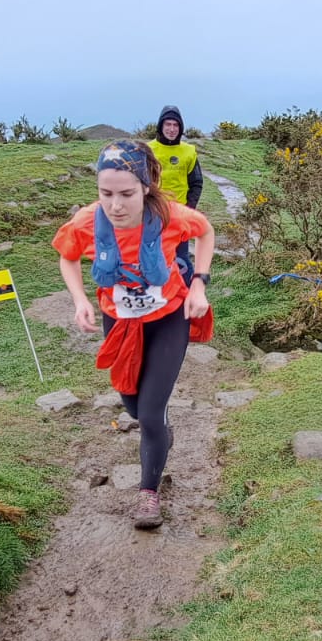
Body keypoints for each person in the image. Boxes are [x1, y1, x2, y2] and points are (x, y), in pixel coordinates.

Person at [54, 139, 215, 529]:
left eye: (126, 193)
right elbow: (67, 257)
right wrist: (79, 301)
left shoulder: (172, 216)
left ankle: (148, 495)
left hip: (167, 320)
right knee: (132, 406)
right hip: (121, 322)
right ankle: (159, 433)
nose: (116, 205)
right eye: (105, 193)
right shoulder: (87, 222)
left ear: (145, 186)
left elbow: (205, 232)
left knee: (149, 413)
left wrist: (198, 285)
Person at [147, 105, 204, 278]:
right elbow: (140, 182)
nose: (172, 129)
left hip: (179, 214)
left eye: (176, 125)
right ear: (160, 126)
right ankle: (156, 293)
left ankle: (190, 292)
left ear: (181, 128)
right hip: (153, 212)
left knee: (181, 257)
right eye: (168, 125)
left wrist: (189, 208)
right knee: (152, 254)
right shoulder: (148, 150)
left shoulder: (188, 151)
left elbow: (196, 182)